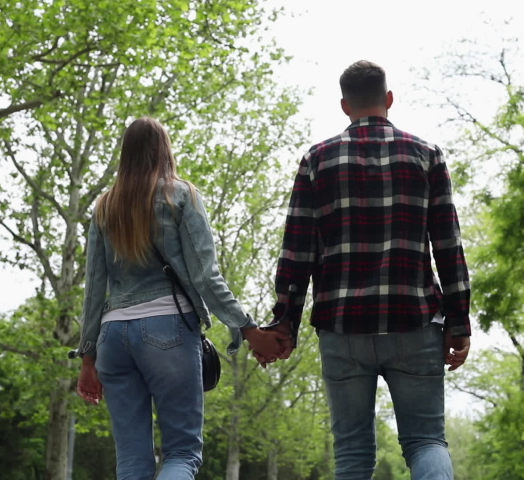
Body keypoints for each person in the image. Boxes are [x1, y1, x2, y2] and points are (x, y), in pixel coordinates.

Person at [265, 61, 472, 480]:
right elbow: (448, 245)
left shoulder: (316, 160)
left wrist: (284, 321)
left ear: (345, 106)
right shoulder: (426, 155)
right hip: (414, 322)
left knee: (353, 454)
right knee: (426, 441)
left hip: (343, 329)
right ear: (389, 100)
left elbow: (296, 251)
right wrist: (459, 320)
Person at [74, 117, 287, 480]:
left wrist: (88, 360)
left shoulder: (104, 207)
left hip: (112, 338)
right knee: (182, 453)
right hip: (168, 330)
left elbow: (94, 288)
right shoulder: (180, 195)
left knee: (132, 462)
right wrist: (248, 328)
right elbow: (205, 277)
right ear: (164, 149)